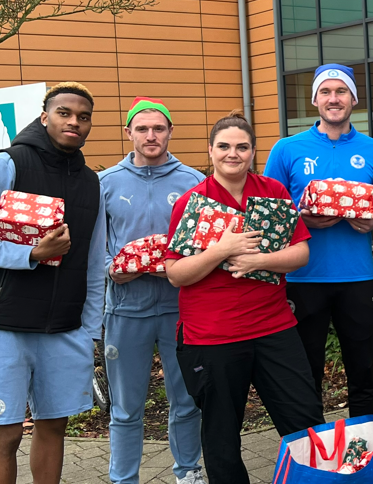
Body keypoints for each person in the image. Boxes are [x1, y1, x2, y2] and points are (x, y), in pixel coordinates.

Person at [166, 111, 324, 484]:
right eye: (223, 146)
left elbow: (300, 254)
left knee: (305, 421)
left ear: (253, 151)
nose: (232, 154)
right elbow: (175, 274)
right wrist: (221, 250)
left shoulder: (273, 192)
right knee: (221, 437)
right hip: (213, 336)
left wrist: (259, 259)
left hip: (273, 328)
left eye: (242, 146)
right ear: (210, 150)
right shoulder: (193, 202)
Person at [0, 82, 106, 484]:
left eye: (83, 117)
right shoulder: (7, 164)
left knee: (54, 428)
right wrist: (30, 255)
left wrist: (89, 329)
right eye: (64, 113)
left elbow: (93, 261)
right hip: (6, 325)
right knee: (6, 433)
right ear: (44, 117)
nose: (74, 122)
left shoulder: (92, 183)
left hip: (65, 329)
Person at [263, 63, 373, 417]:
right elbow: (268, 207)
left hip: (356, 276)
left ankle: (364, 447)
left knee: (362, 369)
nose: (333, 99)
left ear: (353, 98)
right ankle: (315, 454)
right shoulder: (288, 149)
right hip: (304, 277)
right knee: (306, 373)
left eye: (340, 92)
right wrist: (301, 220)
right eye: (325, 92)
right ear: (315, 100)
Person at [98, 97, 205, 484]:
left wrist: (179, 268)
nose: (150, 135)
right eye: (142, 128)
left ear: (170, 132)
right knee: (125, 408)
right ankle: (123, 479)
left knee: (187, 401)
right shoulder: (106, 183)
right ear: (128, 133)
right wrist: (113, 269)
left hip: (182, 310)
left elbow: (204, 243)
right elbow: (96, 247)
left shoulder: (192, 181)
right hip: (126, 311)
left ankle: (188, 473)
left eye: (158, 128)